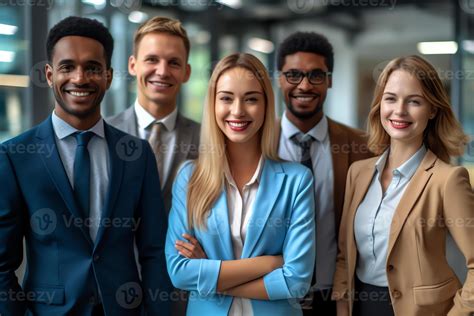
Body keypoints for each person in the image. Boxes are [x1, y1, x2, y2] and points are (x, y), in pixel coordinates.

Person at [0, 16, 171, 315]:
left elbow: (155, 252)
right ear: (50, 75)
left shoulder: (137, 155)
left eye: (92, 68)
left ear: (108, 76)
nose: (80, 78)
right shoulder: (15, 156)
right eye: (67, 67)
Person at [165, 53, 316, 315]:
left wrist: (211, 275)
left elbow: (296, 281)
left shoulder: (297, 180)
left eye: (251, 99)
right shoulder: (189, 178)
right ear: (212, 105)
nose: (238, 110)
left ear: (266, 105)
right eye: (226, 98)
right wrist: (268, 264)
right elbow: (179, 273)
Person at [332, 55, 474, 315]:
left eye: (414, 101)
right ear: (379, 105)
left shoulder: (447, 180)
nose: (400, 110)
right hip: (360, 307)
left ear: (432, 110)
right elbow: (345, 254)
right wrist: (342, 306)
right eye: (391, 98)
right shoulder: (358, 172)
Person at [276, 31, 373, 315]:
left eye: (316, 75)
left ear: (329, 80)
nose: (304, 85)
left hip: (337, 298)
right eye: (293, 74)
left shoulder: (363, 146)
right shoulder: (255, 144)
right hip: (272, 296)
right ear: (280, 78)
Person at [108, 16, 200, 213]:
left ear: (186, 72)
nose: (162, 71)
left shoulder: (207, 139)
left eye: (174, 63)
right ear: (133, 65)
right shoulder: (103, 134)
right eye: (152, 59)